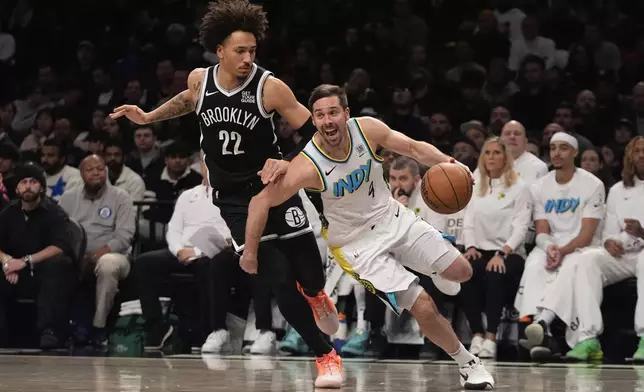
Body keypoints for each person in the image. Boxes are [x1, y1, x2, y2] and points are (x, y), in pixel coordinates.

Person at [110, 1, 339, 387]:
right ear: (220, 51)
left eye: (253, 50)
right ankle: (325, 354)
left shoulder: (270, 86)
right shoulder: (200, 80)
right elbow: (188, 101)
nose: (248, 58)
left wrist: (287, 164)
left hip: (276, 188)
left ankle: (317, 294)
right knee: (279, 279)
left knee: (308, 274)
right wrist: (148, 117)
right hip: (235, 200)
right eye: (240, 51)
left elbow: (311, 133)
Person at [242, 84, 495, 390]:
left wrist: (449, 164)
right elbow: (260, 201)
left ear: (346, 114)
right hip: (355, 246)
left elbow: (414, 148)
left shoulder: (367, 129)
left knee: (462, 272)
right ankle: (468, 363)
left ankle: (437, 269)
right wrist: (250, 252)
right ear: (315, 121)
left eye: (333, 112)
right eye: (319, 115)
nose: (327, 121)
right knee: (423, 305)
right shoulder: (306, 165)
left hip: (391, 217)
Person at [528, 136, 644, 361]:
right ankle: (588, 338)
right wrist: (610, 241)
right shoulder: (619, 190)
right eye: (637, 151)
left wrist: (642, 233)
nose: (641, 155)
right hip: (624, 254)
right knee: (587, 259)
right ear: (629, 156)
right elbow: (609, 231)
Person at [514, 132, 605, 361]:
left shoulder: (592, 184)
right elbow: (542, 231)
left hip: (583, 248)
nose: (556, 153)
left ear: (575, 153)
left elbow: (586, 235)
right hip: (551, 247)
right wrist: (550, 248)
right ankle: (540, 335)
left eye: (563, 148)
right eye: (553, 148)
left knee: (572, 266)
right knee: (534, 265)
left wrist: (562, 251)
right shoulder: (540, 186)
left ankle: (542, 322)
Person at [461, 137, 532, 359]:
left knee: (495, 272)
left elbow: (521, 228)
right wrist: (470, 246)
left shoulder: (519, 187)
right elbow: (468, 220)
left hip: (510, 253)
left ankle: (492, 336)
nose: (491, 157)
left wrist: (502, 253)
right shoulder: (476, 181)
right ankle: (477, 335)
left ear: (505, 157)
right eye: (487, 153)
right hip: (480, 250)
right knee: (464, 270)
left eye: (496, 153)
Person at [59, 155, 135, 347]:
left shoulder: (121, 197)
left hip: (114, 256)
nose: (96, 173)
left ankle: (99, 328)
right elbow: (59, 232)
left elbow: (124, 237)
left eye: (100, 169)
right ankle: (60, 328)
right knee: (57, 264)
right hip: (77, 256)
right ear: (81, 174)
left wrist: (96, 255)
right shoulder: (68, 198)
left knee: (107, 264)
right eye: (90, 169)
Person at [0, 163, 75, 349]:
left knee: (59, 264)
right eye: (23, 182)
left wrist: (25, 262)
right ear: (17, 188)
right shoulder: (8, 213)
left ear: (41, 187)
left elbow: (61, 245)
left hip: (42, 271)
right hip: (14, 272)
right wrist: (7, 262)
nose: (28, 186)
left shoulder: (54, 212)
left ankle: (48, 331)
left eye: (33, 182)